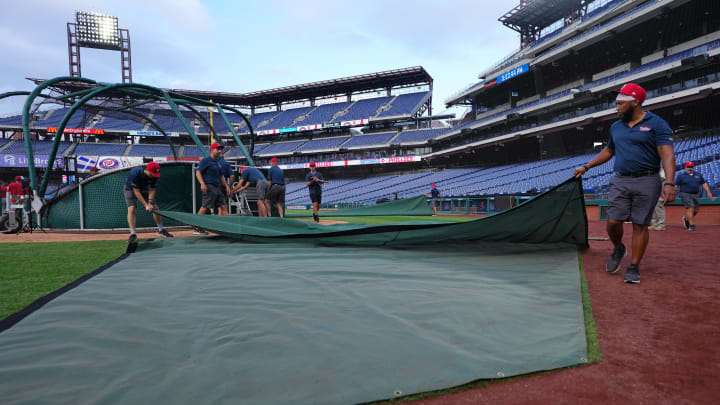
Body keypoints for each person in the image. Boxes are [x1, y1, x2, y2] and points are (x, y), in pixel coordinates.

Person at [573, 83, 675, 284]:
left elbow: (667, 153)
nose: (616, 107)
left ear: (635, 102)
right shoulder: (615, 126)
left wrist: (670, 183)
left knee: (640, 225)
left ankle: (634, 266)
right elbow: (609, 151)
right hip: (620, 178)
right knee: (612, 222)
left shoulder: (657, 124)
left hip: (648, 179)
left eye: (620, 104)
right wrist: (587, 167)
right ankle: (619, 248)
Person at [124, 162, 173, 244]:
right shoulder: (135, 173)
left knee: (155, 207)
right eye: (152, 173)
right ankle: (133, 234)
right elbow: (136, 192)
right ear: (146, 170)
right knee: (131, 209)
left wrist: (150, 202)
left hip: (144, 188)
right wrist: (146, 205)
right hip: (130, 189)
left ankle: (161, 230)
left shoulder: (155, 175)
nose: (154, 175)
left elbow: (152, 189)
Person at [196, 143, 232, 219]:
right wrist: (202, 183)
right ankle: (196, 227)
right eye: (217, 149)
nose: (220, 151)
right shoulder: (206, 160)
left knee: (224, 206)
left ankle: (227, 228)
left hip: (218, 187)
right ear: (212, 150)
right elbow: (198, 172)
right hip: (209, 186)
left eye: (220, 149)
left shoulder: (218, 162)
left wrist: (226, 186)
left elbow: (221, 176)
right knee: (205, 207)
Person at [675, 161, 714, 231]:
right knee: (691, 207)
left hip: (696, 194)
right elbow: (676, 185)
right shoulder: (680, 176)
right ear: (685, 167)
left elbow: (703, 183)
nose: (690, 168)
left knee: (696, 210)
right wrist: (673, 192)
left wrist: (708, 191)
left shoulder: (698, 175)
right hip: (685, 193)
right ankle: (691, 225)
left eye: (691, 167)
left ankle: (686, 218)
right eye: (688, 167)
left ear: (693, 167)